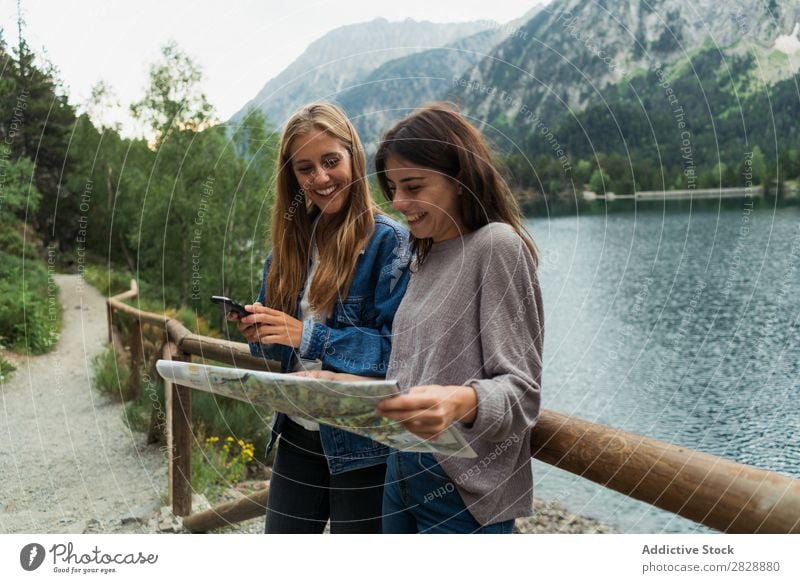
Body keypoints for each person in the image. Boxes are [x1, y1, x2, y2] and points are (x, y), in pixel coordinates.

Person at [303, 103, 543, 533]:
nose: (398, 203)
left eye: (413, 186)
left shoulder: (497, 247)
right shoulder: (423, 253)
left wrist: (459, 402)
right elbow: (410, 378)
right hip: (402, 473)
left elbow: (522, 392)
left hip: (461, 495)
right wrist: (342, 385)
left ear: (460, 177)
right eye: (392, 188)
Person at [233, 102, 410, 533]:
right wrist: (259, 330)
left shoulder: (390, 243)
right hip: (296, 432)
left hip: (364, 440)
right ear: (291, 177)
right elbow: (279, 351)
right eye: (305, 168)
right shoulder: (287, 248)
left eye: (331, 161)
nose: (320, 178)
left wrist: (306, 336)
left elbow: (398, 355)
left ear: (354, 157)